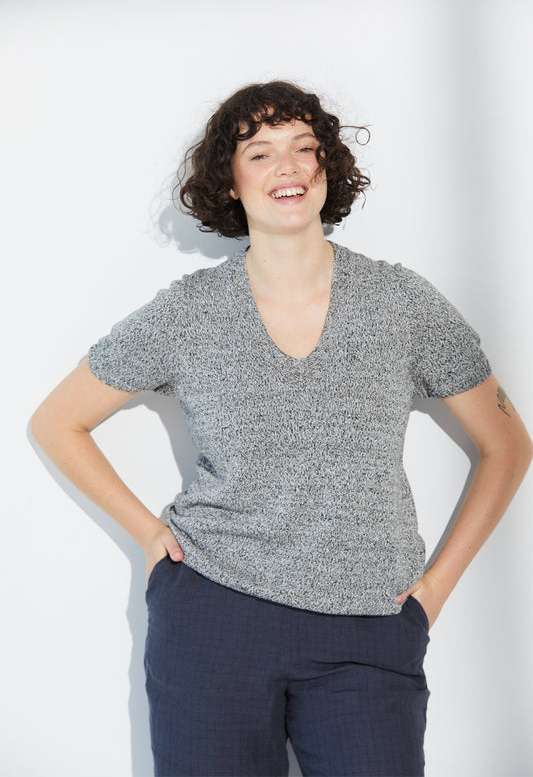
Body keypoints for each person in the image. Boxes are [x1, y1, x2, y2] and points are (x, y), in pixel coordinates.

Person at [31, 80, 532, 777]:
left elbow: (506, 444)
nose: (288, 167)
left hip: (370, 624)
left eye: (304, 149)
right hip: (213, 617)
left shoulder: (403, 304)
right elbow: (58, 421)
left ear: (328, 167)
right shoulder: (187, 313)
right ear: (230, 184)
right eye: (260, 153)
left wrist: (434, 590)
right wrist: (149, 533)